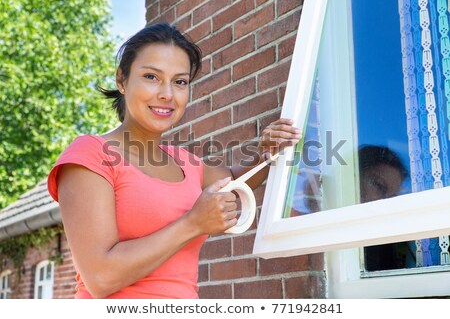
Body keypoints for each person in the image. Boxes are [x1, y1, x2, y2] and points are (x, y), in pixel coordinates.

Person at [47, 23, 301, 299]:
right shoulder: (89, 154)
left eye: (180, 82)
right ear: (122, 80)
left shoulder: (186, 162)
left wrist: (267, 151)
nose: (167, 94)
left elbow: (238, 183)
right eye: (151, 77)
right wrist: (193, 223)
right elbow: (100, 277)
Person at [357, 145, 412, 271]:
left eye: (390, 198)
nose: (384, 202)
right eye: (379, 186)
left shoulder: (381, 242)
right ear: (355, 176)